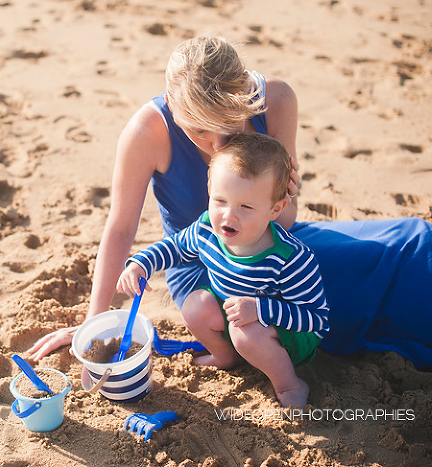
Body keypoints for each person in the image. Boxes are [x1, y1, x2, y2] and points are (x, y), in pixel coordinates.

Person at [27, 36, 432, 372]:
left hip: (274, 247)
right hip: (203, 266)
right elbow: (121, 228)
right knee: (367, 287)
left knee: (407, 243)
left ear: (246, 94)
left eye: (231, 126)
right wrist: (92, 323)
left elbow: (286, 221)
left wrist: (285, 195)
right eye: (201, 132)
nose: (219, 145)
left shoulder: (277, 100)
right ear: (172, 106)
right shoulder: (148, 131)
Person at [117, 132, 329, 407]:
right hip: (236, 317)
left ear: (276, 209)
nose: (229, 215)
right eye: (220, 201)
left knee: (246, 333)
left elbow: (316, 319)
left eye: (246, 206)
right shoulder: (207, 229)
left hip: (285, 337)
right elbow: (174, 248)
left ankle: (289, 384)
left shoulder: (289, 258)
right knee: (195, 305)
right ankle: (225, 355)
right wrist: (140, 263)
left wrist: (260, 310)